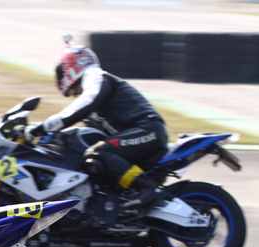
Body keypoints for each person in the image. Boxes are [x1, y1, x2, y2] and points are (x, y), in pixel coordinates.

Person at [25, 43, 169, 208]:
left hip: (148, 129)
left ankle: (147, 188)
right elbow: (85, 130)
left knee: (98, 152)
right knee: (84, 154)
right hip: (137, 134)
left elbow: (83, 106)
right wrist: (49, 137)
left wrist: (45, 126)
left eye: (61, 72)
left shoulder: (96, 77)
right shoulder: (92, 91)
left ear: (72, 67)